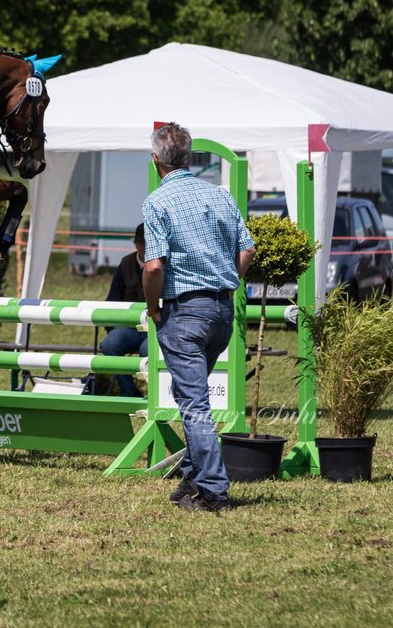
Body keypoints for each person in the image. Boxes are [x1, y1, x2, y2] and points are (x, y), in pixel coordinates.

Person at [141, 122, 256, 513]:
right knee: (190, 396)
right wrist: (226, 282)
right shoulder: (220, 196)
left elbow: (154, 266)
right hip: (221, 312)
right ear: (189, 156)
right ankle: (191, 477)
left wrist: (153, 307)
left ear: (156, 161)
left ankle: (212, 489)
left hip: (183, 313)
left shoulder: (157, 202)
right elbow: (248, 250)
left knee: (193, 404)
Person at [99, 222, 148, 397]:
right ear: (135, 243)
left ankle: (155, 395)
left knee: (148, 350)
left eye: (148, 242)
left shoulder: (164, 265)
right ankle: (130, 391)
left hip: (156, 327)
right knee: (110, 344)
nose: (144, 246)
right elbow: (112, 299)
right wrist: (111, 329)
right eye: (141, 242)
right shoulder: (126, 263)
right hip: (130, 327)